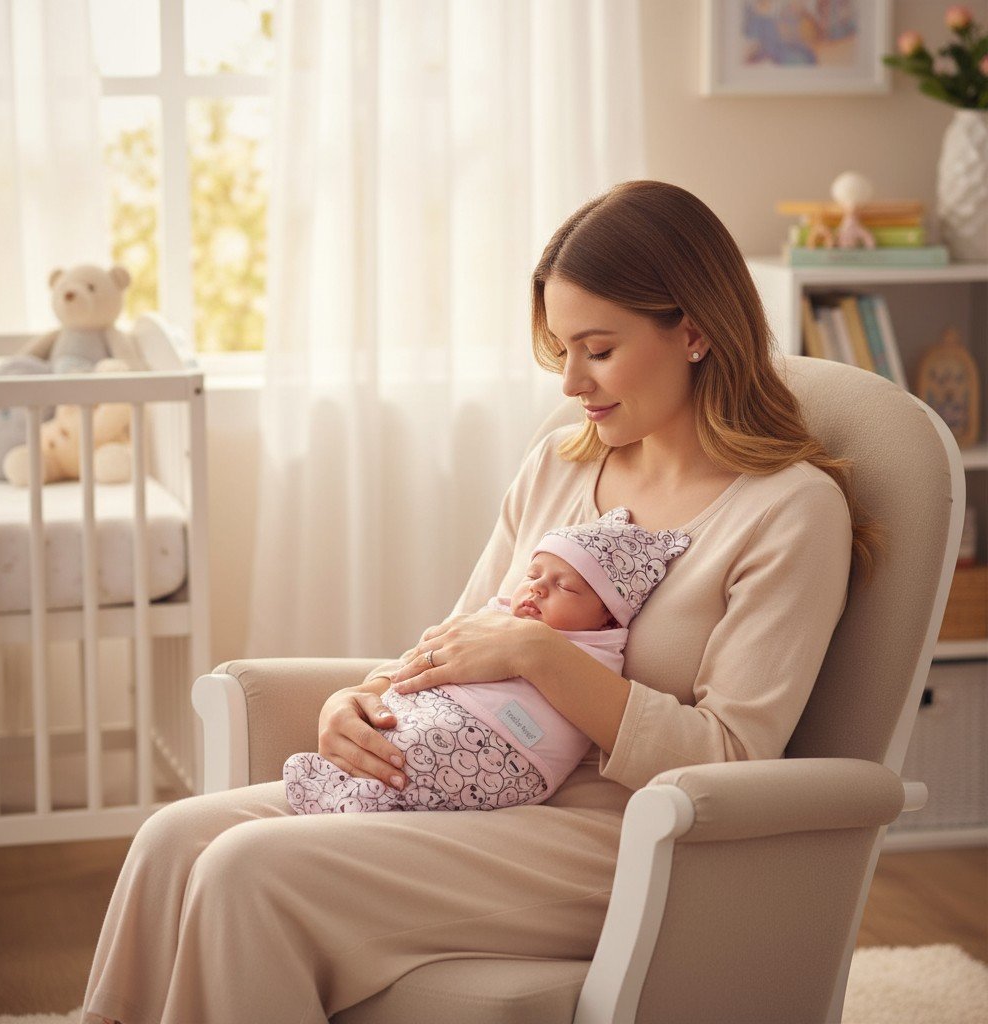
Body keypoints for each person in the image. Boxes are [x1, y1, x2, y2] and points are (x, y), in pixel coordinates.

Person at [83, 180, 877, 1024]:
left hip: (632, 839)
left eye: (598, 350)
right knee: (172, 842)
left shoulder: (789, 510)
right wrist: (364, 698)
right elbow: (457, 646)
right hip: (468, 788)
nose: (571, 381)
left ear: (693, 330)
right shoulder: (559, 467)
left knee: (247, 870)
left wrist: (540, 656)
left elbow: (733, 756)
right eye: (562, 348)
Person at [282, 507, 691, 814]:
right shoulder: (552, 460)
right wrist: (365, 693)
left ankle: (370, 798)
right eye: (532, 576)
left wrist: (532, 648)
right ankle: (355, 789)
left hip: (512, 755)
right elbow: (442, 640)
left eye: (564, 586)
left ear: (606, 615)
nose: (538, 590)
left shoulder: (596, 652)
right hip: (429, 714)